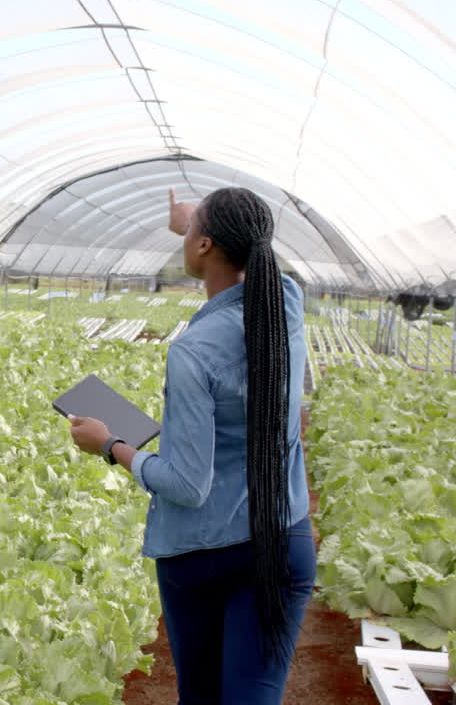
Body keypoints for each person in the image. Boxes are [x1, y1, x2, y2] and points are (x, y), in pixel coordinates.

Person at [68, 186, 314, 704]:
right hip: (282, 541)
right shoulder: (287, 306)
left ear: (204, 245)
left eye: (194, 227)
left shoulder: (195, 352)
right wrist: (194, 224)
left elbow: (185, 484)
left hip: (205, 556)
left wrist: (111, 444)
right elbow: (246, 254)